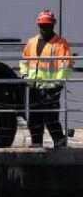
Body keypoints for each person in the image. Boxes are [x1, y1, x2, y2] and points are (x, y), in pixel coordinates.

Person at [20, 9, 73, 148]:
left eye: (48, 25)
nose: (45, 27)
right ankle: (36, 143)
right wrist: (25, 76)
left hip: (52, 87)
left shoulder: (61, 43)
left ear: (53, 25)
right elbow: (24, 61)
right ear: (38, 25)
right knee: (34, 118)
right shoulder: (31, 42)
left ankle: (60, 143)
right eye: (43, 25)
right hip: (34, 86)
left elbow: (66, 65)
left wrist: (57, 83)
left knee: (51, 118)